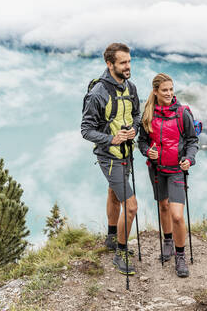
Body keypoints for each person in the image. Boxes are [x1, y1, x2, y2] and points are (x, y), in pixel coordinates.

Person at [81, 43, 140, 275]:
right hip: (110, 157)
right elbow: (86, 130)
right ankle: (121, 253)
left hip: (127, 153)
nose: (128, 66)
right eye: (123, 62)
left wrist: (134, 129)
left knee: (113, 195)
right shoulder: (98, 93)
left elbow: (135, 114)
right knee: (132, 207)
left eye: (129, 61)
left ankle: (112, 238)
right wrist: (111, 139)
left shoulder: (130, 87)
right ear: (110, 64)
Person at [138, 73, 198, 277]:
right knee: (163, 206)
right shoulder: (147, 114)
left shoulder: (182, 113)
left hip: (176, 170)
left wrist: (189, 159)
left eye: (171, 89)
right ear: (155, 91)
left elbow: (192, 140)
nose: (169, 93)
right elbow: (142, 141)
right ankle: (168, 241)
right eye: (164, 90)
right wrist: (148, 152)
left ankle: (180, 256)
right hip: (156, 169)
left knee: (177, 215)